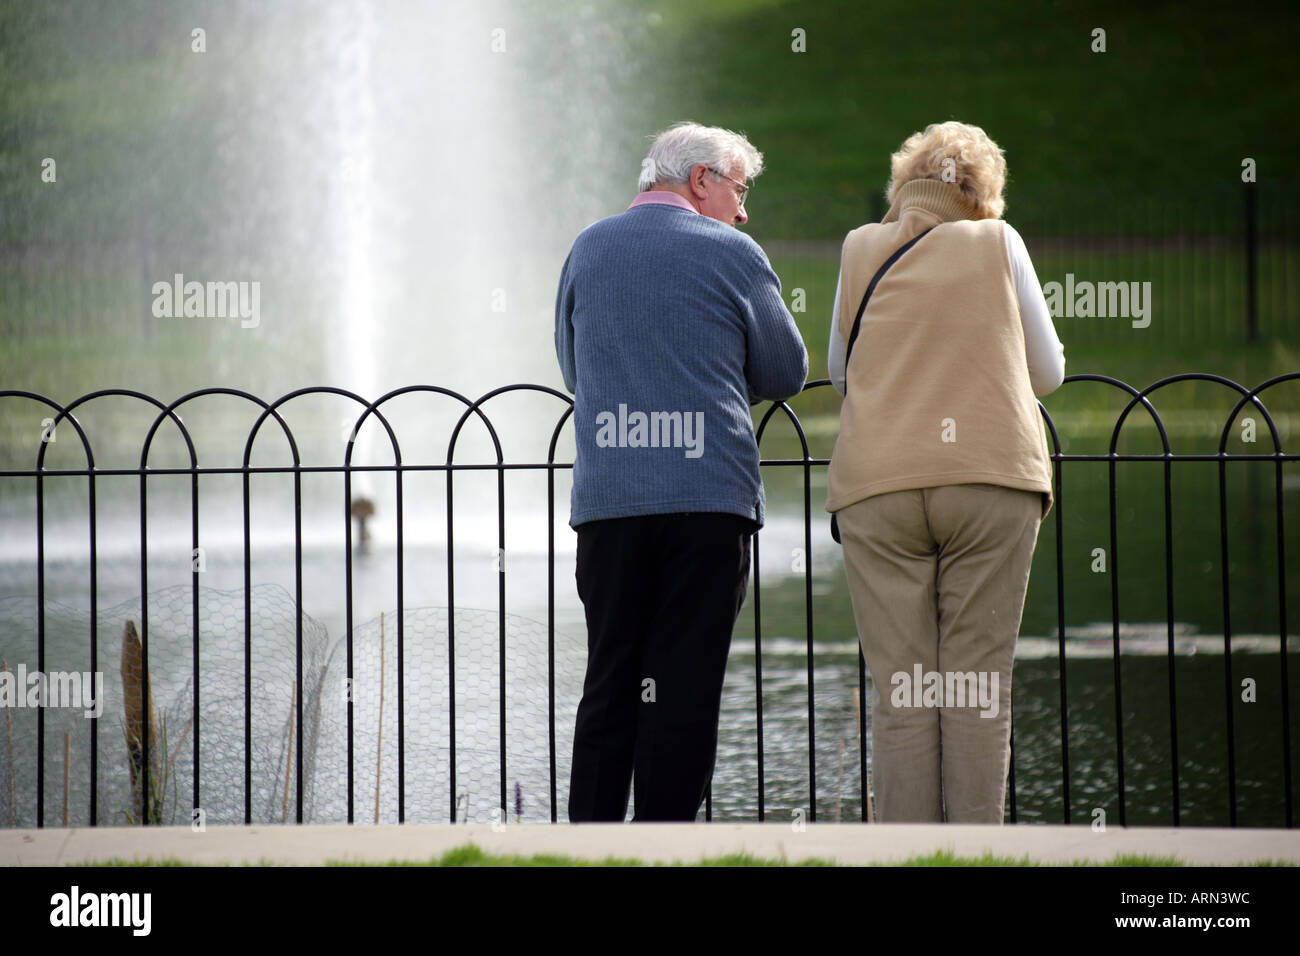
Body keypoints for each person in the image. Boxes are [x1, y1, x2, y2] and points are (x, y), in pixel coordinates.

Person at [555, 121, 808, 822]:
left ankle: (590, 844)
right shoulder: (733, 252)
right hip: (707, 503)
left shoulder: (587, 248)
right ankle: (666, 843)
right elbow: (786, 373)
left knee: (610, 680)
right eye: (740, 188)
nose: (744, 208)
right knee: (683, 685)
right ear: (701, 180)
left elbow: (576, 368)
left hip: (608, 503)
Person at [827, 121, 1065, 823]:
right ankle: (975, 855)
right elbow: (1048, 374)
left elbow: (843, 375)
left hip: (878, 486)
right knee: (975, 688)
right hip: (988, 481)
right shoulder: (999, 243)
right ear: (982, 192)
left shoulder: (858, 247)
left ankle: (905, 856)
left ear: (906, 185)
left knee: (904, 693)